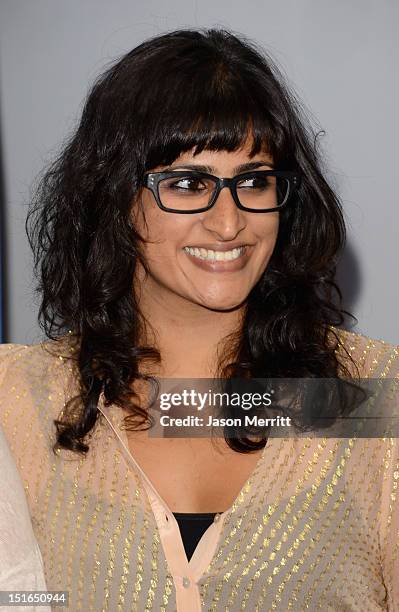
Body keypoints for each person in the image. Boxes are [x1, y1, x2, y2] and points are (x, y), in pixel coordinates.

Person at [0, 28, 398, 611]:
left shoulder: (374, 396)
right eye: (187, 184)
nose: (229, 222)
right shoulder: (17, 400)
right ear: (113, 197)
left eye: (254, 180)